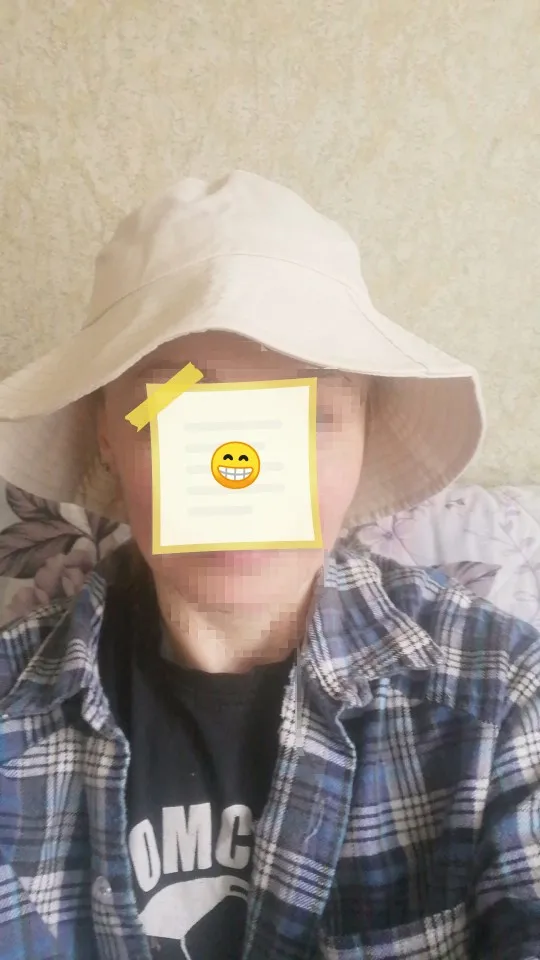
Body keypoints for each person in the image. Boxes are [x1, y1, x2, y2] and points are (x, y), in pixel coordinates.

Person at [0, 170, 538, 960]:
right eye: (181, 411)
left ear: (363, 437)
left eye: (307, 414)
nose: (239, 469)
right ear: (107, 437)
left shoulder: (505, 697)